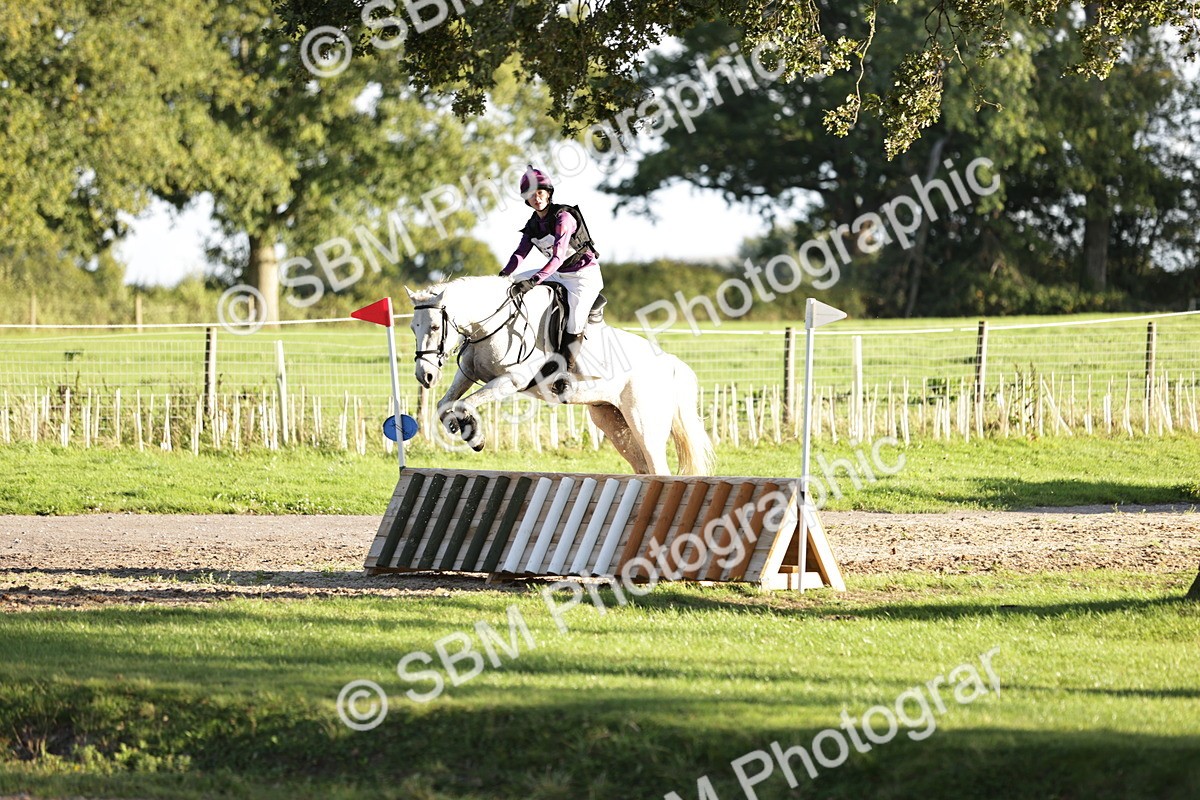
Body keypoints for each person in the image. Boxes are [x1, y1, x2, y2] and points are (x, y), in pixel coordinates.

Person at [500, 166, 601, 389]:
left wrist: (534, 281)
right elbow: (520, 254)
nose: (536, 198)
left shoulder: (563, 218)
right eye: (531, 195)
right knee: (513, 282)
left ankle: (565, 375)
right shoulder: (533, 224)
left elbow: (557, 257)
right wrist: (504, 275)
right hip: (558, 272)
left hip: (583, 276)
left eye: (540, 193)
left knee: (575, 321)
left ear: (548, 193)